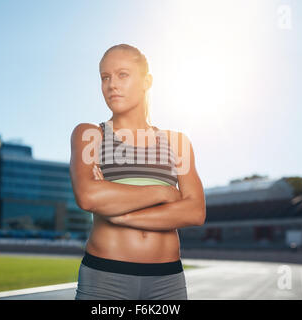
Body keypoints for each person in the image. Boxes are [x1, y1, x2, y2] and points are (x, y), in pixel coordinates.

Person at [70, 43, 206, 300]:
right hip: (105, 280)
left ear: (146, 81)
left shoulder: (177, 142)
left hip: (168, 282)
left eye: (122, 74)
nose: (112, 85)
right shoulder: (90, 134)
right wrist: (164, 192)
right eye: (105, 77)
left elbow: (195, 211)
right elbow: (89, 196)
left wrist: (121, 217)